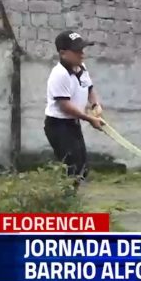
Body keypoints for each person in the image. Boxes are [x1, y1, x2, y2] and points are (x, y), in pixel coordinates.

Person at [44, 31, 104, 187]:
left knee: (82, 166)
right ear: (63, 53)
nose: (82, 55)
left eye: (82, 50)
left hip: (73, 123)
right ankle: (65, 202)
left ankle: (72, 199)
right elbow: (65, 106)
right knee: (71, 167)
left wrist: (95, 105)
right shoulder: (59, 74)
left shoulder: (81, 67)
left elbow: (89, 88)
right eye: (77, 51)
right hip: (58, 125)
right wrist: (90, 119)